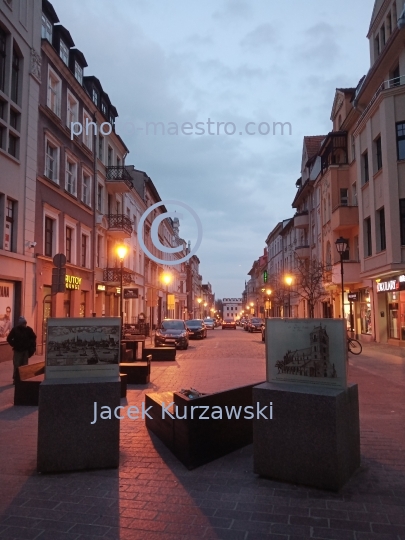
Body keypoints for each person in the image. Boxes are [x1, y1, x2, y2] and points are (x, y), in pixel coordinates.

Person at [7, 316, 36, 383]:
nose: (24, 324)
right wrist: (14, 344)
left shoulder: (28, 330)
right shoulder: (15, 330)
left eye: (25, 323)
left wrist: (30, 344)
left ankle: (23, 378)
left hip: (25, 350)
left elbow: (33, 337)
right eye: (23, 323)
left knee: (24, 364)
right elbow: (9, 338)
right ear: (20, 323)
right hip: (17, 350)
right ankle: (16, 379)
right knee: (17, 365)